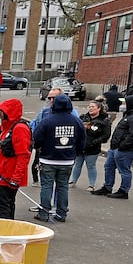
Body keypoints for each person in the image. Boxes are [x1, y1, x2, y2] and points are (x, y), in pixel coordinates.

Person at [32, 94, 86, 223]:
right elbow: (82, 140)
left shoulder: (47, 120)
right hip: (67, 159)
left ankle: (44, 212)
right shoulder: (76, 121)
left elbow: (37, 138)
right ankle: (61, 213)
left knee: (46, 186)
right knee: (63, 186)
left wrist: (39, 148)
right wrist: (75, 152)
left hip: (48, 159)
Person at [93, 94, 133, 199]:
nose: (122, 105)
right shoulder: (129, 115)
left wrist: (122, 146)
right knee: (108, 166)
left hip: (125, 149)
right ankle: (107, 187)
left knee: (124, 170)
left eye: (125, 103)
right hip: (116, 147)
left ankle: (123, 190)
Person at [0, 98, 32, 219]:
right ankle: (7, 231)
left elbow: (23, 155)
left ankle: (3, 233)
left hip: (7, 175)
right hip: (2, 173)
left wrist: (16, 178)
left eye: (1, 111)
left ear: (9, 112)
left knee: (2, 206)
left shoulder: (19, 128)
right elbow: (3, 149)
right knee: (6, 204)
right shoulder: (6, 127)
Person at [72, 99, 112, 190]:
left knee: (91, 166)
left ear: (99, 108)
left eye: (93, 107)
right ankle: (73, 181)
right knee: (77, 164)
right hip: (81, 146)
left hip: (93, 148)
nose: (90, 108)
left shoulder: (104, 120)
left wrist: (94, 142)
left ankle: (91, 185)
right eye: (89, 107)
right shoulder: (83, 117)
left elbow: (106, 135)